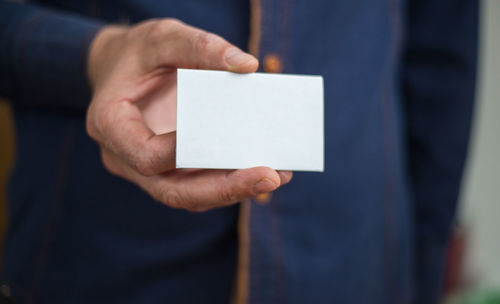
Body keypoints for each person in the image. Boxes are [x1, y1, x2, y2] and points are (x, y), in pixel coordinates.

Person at [0, 0, 478, 303]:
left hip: (356, 264)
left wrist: (425, 272)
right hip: (98, 260)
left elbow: (441, 61)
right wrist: (94, 53)